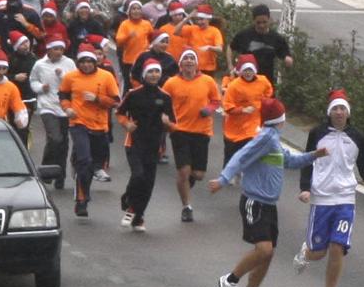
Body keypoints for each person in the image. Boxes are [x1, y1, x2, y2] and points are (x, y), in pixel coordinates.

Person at [210, 97, 325, 287]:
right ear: (280, 121)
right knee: (264, 249)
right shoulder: (265, 138)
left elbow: (290, 161)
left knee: (267, 255)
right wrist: (223, 179)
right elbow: (240, 157)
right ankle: (229, 280)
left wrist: (314, 156)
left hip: (269, 204)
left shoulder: (274, 141)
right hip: (255, 201)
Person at [294, 89, 364, 287]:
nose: (339, 112)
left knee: (337, 247)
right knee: (319, 252)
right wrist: (305, 188)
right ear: (329, 112)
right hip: (321, 198)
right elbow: (307, 161)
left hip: (345, 198)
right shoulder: (317, 134)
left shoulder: (357, 137)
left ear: (348, 112)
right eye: (335, 108)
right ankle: (306, 252)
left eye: (342, 108)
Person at [59, 43, 121, 217]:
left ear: (95, 62)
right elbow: (63, 94)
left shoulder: (106, 76)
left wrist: (97, 99)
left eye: (89, 61)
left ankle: (81, 163)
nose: (86, 65)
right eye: (83, 62)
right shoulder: (70, 77)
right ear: (78, 63)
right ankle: (82, 200)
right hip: (78, 123)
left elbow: (116, 101)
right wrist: (67, 108)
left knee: (95, 164)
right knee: (84, 162)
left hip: (100, 126)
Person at [162, 49, 221, 222]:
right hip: (179, 130)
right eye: (185, 58)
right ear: (180, 64)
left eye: (191, 58)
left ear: (196, 63)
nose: (188, 61)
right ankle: (186, 207)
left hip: (202, 131)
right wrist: (165, 119)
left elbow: (216, 101)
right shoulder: (171, 83)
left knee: (198, 174)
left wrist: (208, 109)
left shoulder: (207, 81)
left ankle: (185, 183)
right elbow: (163, 101)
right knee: (184, 171)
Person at [117, 58, 175, 232]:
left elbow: (173, 124)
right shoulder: (133, 94)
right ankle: (129, 203)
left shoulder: (165, 97)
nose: (154, 75)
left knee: (148, 183)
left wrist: (167, 124)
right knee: (138, 175)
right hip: (134, 142)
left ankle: (138, 217)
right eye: (150, 71)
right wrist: (127, 125)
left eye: (157, 71)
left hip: (154, 145)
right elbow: (120, 113)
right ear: (144, 74)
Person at [29, 35, 75, 190]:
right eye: (56, 49)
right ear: (49, 49)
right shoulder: (39, 64)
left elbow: (75, 81)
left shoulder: (68, 63)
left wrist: (62, 75)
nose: (59, 52)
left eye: (61, 49)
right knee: (55, 138)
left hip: (65, 106)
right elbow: (33, 80)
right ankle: (47, 170)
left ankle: (60, 175)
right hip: (47, 105)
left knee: (63, 142)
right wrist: (41, 88)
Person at [221, 53, 273, 167]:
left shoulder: (263, 81)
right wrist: (242, 110)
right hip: (234, 127)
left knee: (251, 148)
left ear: (255, 70)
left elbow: (269, 92)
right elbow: (227, 106)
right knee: (231, 154)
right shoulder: (234, 86)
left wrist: (264, 102)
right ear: (240, 71)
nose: (248, 73)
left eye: (250, 70)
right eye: (245, 70)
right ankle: (229, 171)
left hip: (253, 124)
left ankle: (246, 171)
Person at [230, 4, 292, 84]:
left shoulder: (276, 38)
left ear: (269, 19)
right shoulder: (245, 35)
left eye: (264, 22)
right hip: (246, 81)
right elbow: (230, 48)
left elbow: (285, 55)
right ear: (253, 21)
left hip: (266, 82)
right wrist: (230, 66)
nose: (262, 25)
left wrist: (288, 60)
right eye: (258, 22)